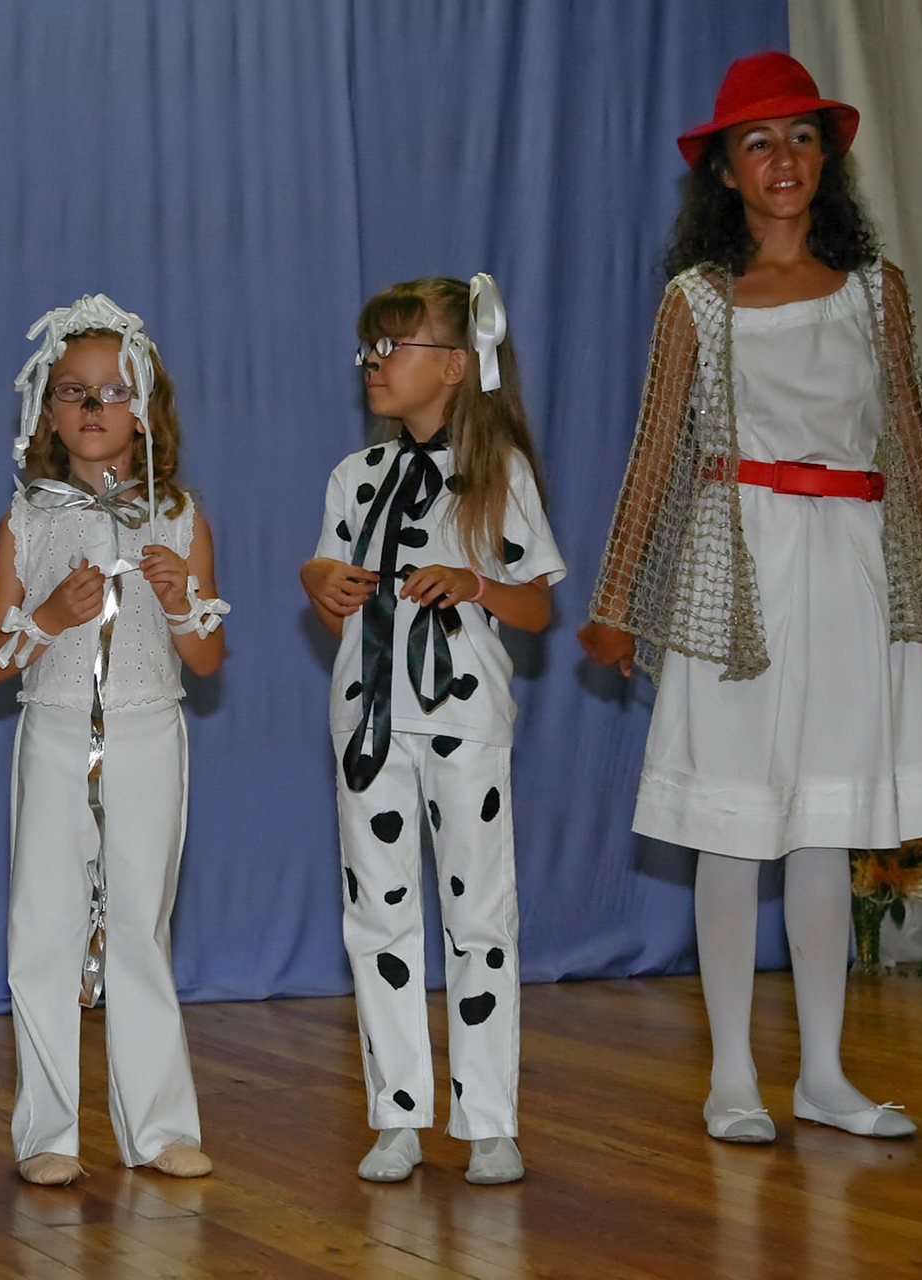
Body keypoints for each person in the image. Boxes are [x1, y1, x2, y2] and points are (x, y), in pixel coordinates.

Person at [578, 52, 922, 1143]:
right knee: (733, 822)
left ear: (829, 159)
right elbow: (656, 453)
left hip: (852, 569)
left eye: (802, 138)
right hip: (738, 573)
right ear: (724, 169)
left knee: (823, 825)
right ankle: (729, 1073)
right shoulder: (698, 305)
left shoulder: (874, 294)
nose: (783, 160)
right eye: (758, 142)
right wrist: (620, 593)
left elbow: (908, 432)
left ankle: (823, 1071)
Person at [301, 274, 563, 1185]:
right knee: (378, 912)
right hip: (368, 717)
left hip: (463, 717)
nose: (374, 365)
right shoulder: (353, 476)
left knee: (479, 913)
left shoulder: (498, 475)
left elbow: (536, 607)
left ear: (454, 367)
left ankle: (489, 1117)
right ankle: (398, 1112)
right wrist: (319, 581)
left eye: (394, 348)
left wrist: (476, 583)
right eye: (369, 349)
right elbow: (336, 577)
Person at [0, 294, 228, 1186]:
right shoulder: (28, 519)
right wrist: (47, 616)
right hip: (52, 734)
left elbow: (206, 657)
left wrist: (173, 596)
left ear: (146, 410)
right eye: (74, 393)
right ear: (48, 411)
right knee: (43, 928)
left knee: (139, 928)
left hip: (149, 730)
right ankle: (46, 1132)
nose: (92, 409)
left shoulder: (182, 517)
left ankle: (158, 1127)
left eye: (113, 393)